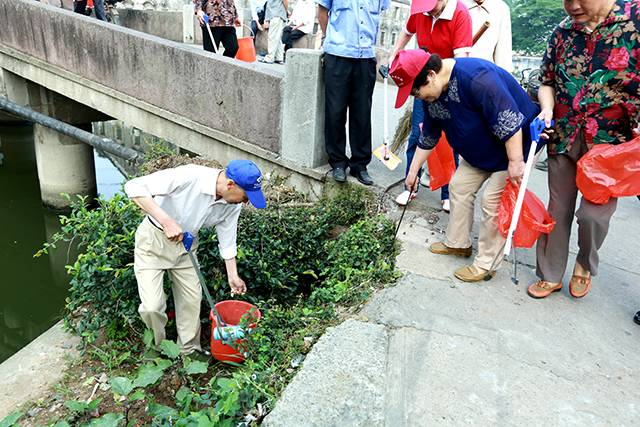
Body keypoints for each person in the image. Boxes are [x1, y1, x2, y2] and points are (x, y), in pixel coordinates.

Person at [390, 49, 541, 282]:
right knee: (459, 186)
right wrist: (412, 173)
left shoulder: (478, 78)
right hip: (480, 150)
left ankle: (486, 264)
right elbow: (429, 136)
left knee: (492, 201)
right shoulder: (434, 94)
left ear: (430, 75)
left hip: (515, 148)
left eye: (416, 92)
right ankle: (458, 244)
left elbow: (509, 123)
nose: (418, 98)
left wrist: (516, 163)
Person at [528, 0, 640, 299]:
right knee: (558, 208)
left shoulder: (635, 20)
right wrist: (547, 109)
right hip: (564, 133)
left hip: (610, 143)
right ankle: (550, 273)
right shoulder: (563, 31)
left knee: (593, 215)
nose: (572, 6)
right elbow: (547, 81)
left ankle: (585, 263)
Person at [123, 160, 266, 357]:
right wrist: (166, 221)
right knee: (152, 307)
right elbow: (133, 186)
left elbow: (227, 239)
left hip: (186, 246)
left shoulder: (231, 204)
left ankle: (189, 351)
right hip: (153, 243)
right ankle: (158, 348)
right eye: (246, 196)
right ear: (230, 185)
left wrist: (233, 275)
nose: (246, 202)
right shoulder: (189, 176)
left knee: (191, 301)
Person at [388, 0, 472, 208]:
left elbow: (462, 61)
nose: (428, 10)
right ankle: (410, 186)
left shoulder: (460, 14)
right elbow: (407, 32)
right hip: (422, 83)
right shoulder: (420, 11)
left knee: (449, 140)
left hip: (448, 83)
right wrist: (394, 56)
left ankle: (447, 193)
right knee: (418, 135)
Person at [317, 0, 390, 185]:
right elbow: (322, 12)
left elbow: (379, 16)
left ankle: (360, 164)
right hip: (338, 54)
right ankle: (338, 162)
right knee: (335, 111)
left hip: (365, 57)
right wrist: (332, 39)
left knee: (362, 113)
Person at [462, 0, 513, 72]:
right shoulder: (454, 5)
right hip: (457, 72)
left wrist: (503, 78)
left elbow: (503, 55)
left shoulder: (501, 8)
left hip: (485, 74)